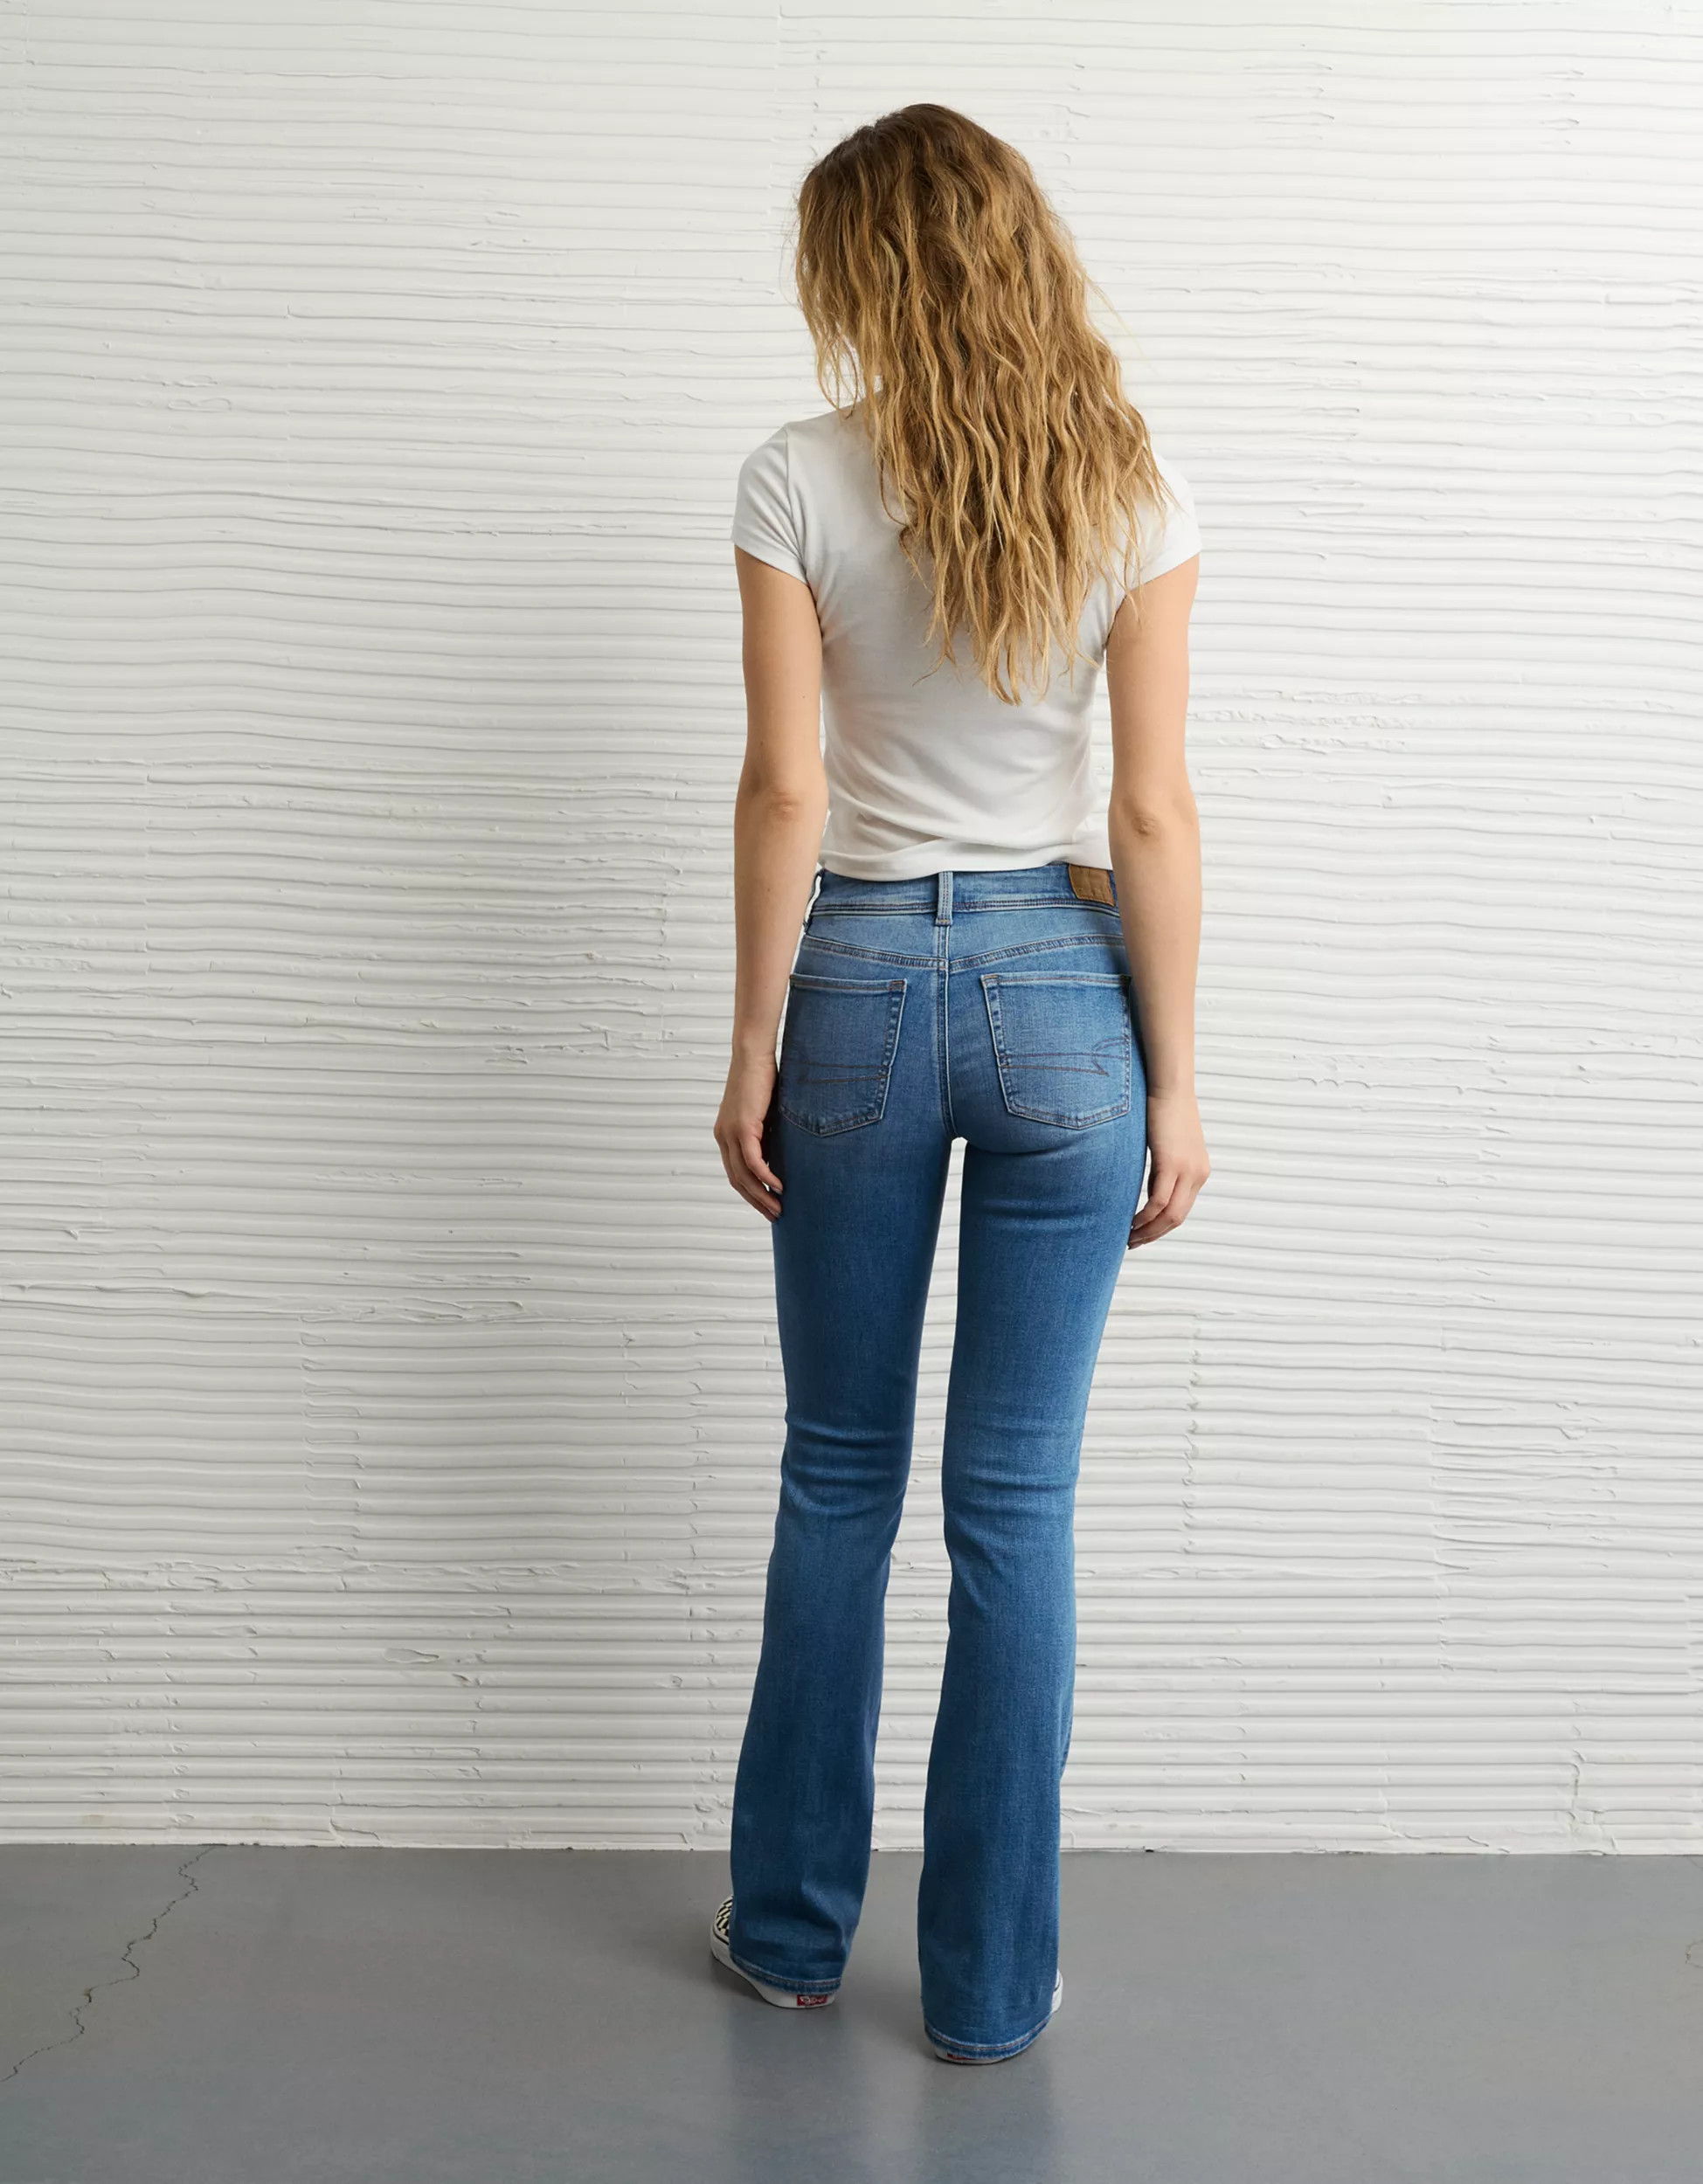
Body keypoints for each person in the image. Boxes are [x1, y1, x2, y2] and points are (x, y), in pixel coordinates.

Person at [708, 103, 1208, 2066]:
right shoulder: (1131, 485)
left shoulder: (794, 475)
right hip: (1066, 1001)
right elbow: (1149, 812)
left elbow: (787, 789)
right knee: (1017, 1502)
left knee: (837, 1474)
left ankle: (788, 1936)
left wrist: (753, 1040)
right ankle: (991, 1990)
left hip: (853, 985)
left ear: (860, 270)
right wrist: (1178, 1081)